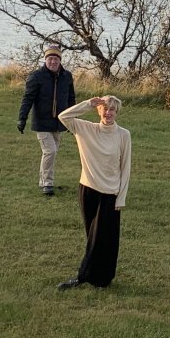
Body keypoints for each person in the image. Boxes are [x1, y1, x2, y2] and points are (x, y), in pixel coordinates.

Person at [56, 95, 131, 290]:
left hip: (110, 193)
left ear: (117, 112)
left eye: (112, 110)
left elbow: (126, 167)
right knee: (92, 235)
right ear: (99, 111)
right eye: (105, 109)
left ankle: (86, 277)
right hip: (87, 189)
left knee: (104, 237)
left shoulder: (123, 135)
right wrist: (88, 104)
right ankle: (99, 278)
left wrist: (120, 197)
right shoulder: (85, 129)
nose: (108, 113)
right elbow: (64, 117)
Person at [17, 46, 75, 196]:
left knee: (52, 153)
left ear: (60, 60)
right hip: (42, 122)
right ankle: (46, 184)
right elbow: (27, 98)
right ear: (45, 59)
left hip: (59, 122)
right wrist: (22, 119)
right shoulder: (36, 76)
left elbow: (71, 99)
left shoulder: (67, 76)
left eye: (56, 59)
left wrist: (71, 120)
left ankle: (46, 180)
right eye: (50, 58)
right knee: (50, 151)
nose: (53, 61)